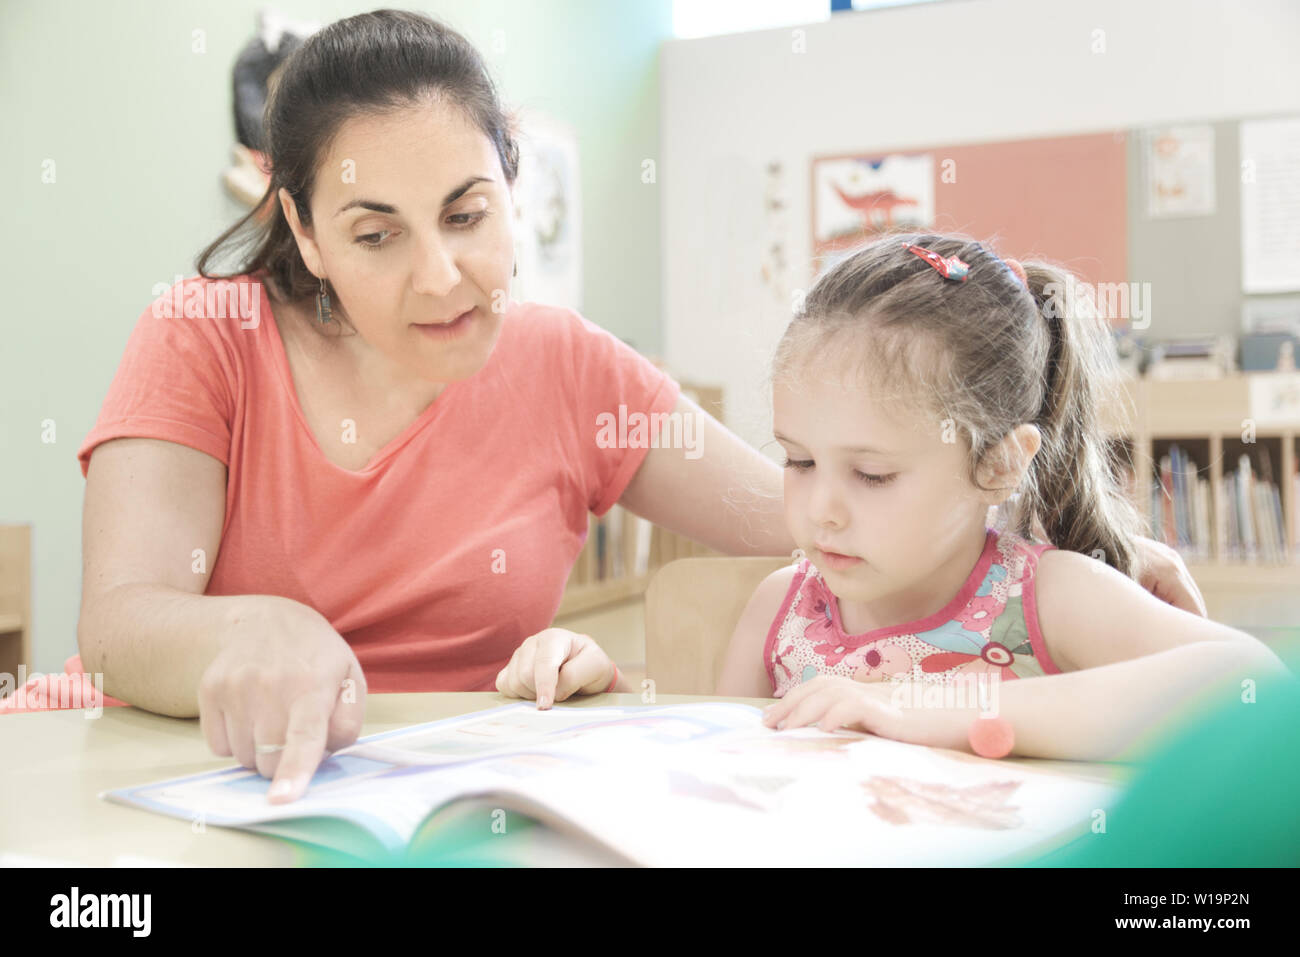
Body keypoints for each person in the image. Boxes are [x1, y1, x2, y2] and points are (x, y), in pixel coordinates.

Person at [75, 11, 1204, 803]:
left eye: (468, 214)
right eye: (376, 235)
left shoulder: (569, 367)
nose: (441, 276)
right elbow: (122, 627)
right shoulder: (204, 331)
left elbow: (821, 508)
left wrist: (1071, 540)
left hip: (463, 793)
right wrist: (250, 625)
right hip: (188, 784)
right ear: (306, 232)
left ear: (513, 188)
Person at [708, 234, 1286, 760]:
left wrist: (926, 709)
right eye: (800, 461)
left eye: (873, 474)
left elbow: (1251, 685)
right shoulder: (778, 611)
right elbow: (722, 778)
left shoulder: (1045, 596)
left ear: (1001, 463)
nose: (820, 510)